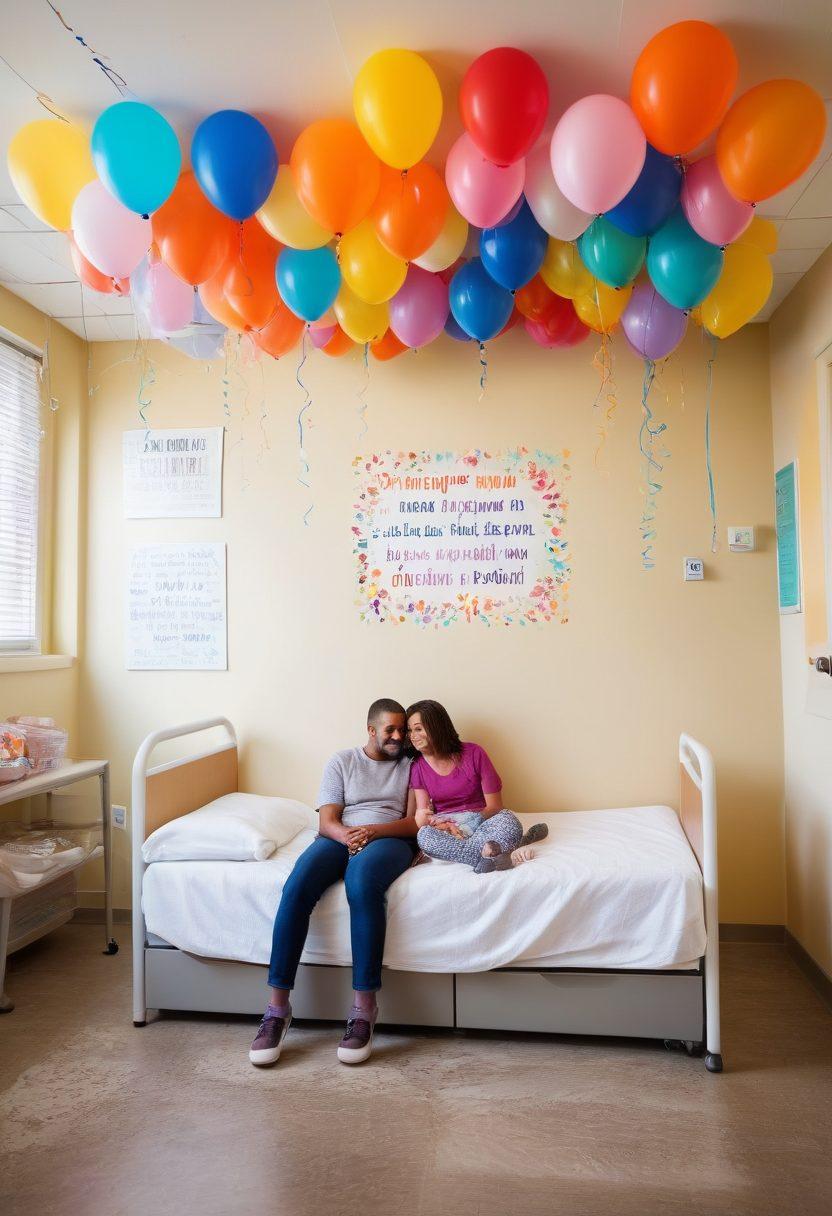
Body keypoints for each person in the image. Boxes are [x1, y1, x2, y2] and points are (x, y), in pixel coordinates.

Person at [249, 698, 416, 1069]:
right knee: (296, 887)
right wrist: (347, 837)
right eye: (390, 729)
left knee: (361, 885)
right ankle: (277, 1010)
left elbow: (411, 822)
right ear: (371, 729)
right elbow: (327, 821)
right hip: (339, 836)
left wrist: (370, 833)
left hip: (388, 839)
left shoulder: (410, 764)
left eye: (402, 729)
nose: (398, 736)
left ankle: (364, 1009)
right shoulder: (342, 761)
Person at [407, 700, 547, 872]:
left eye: (418, 729)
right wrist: (443, 826)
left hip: (482, 821)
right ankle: (488, 856)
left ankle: (482, 855)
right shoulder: (417, 767)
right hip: (449, 828)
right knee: (425, 836)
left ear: (436, 727)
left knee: (508, 820)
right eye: (410, 730)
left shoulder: (474, 753)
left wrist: (466, 826)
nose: (412, 735)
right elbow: (423, 818)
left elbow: (495, 807)